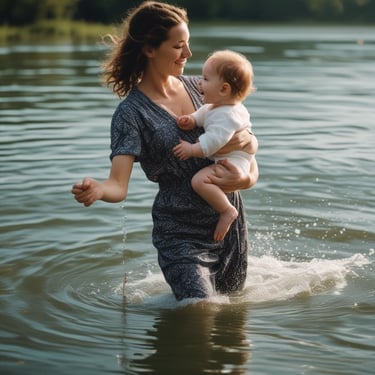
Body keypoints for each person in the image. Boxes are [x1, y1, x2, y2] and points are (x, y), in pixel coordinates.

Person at [71, 1, 259, 301]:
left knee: (232, 324)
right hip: (180, 231)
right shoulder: (130, 114)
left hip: (229, 224)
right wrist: (98, 188)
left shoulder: (201, 87)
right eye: (178, 46)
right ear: (149, 49)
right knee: (198, 309)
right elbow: (118, 186)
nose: (188, 54)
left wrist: (247, 179)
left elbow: (247, 143)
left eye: (188, 45)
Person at [173, 50, 257, 242]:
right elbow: (203, 115)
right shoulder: (217, 106)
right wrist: (192, 120)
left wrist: (192, 149)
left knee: (199, 181)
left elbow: (214, 141)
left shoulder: (227, 115)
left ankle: (227, 210)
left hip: (233, 164)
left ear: (223, 89)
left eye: (205, 79)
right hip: (233, 161)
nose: (199, 83)